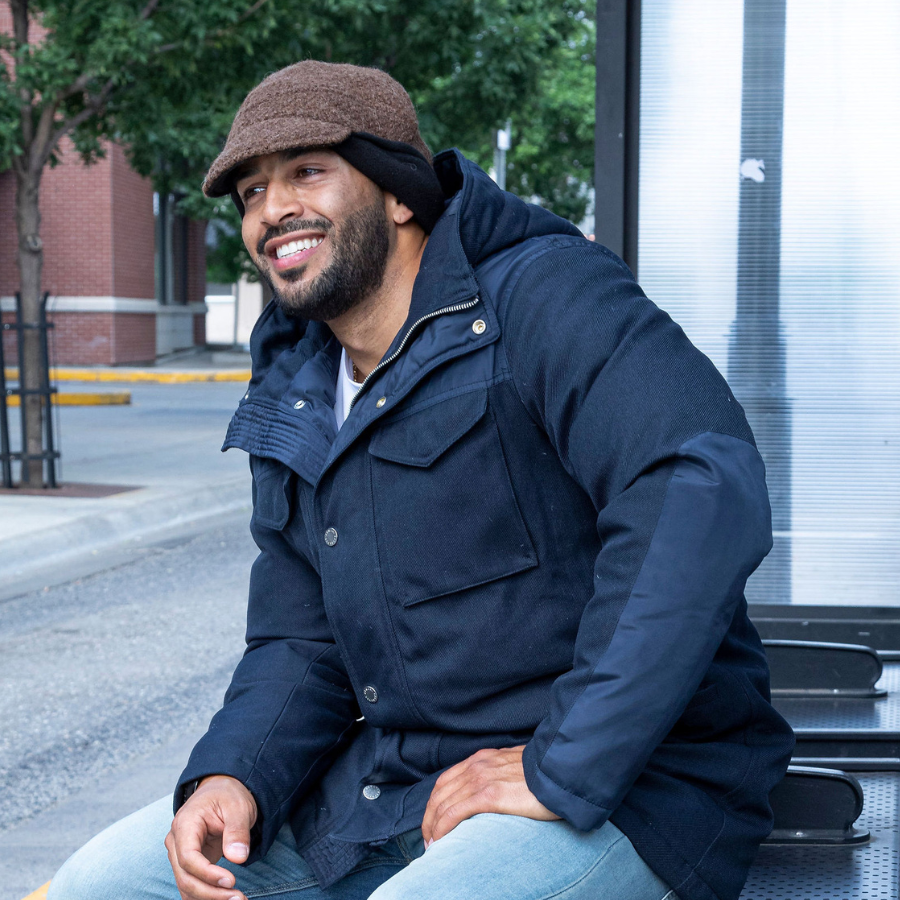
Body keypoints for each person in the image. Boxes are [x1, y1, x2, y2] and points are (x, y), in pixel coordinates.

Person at [48, 60, 793, 900]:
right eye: (251, 192)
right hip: (395, 793)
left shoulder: (545, 294)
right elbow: (302, 639)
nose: (271, 211)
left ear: (401, 193)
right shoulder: (296, 386)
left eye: (307, 172)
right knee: (101, 883)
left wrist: (563, 763)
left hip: (627, 786)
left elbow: (697, 487)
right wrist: (235, 776)